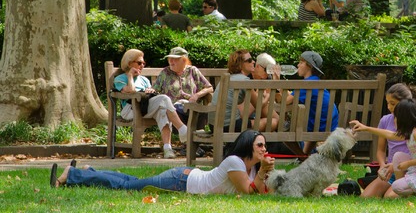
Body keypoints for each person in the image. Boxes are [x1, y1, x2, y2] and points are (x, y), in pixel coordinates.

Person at [50, 129, 276, 194]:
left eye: (264, 145)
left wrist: (263, 171)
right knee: (128, 186)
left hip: (184, 178)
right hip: (179, 181)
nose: (263, 149)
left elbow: (263, 192)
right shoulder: (235, 162)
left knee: (134, 181)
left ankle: (89, 171)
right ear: (248, 146)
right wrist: (264, 170)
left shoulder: (252, 168)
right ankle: (73, 175)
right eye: (259, 145)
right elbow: (249, 192)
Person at [351, 99, 416, 198]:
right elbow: (389, 134)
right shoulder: (410, 131)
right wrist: (366, 128)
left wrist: (408, 163)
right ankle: (405, 191)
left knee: (396, 187)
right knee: (398, 156)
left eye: (396, 117)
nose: (394, 120)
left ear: (404, 119)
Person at [112, 49, 188, 159]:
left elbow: (150, 95)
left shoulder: (144, 80)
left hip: (145, 107)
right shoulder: (120, 78)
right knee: (164, 100)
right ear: (129, 63)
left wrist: (150, 91)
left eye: (143, 63)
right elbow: (131, 90)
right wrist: (130, 76)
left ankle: (168, 149)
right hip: (130, 110)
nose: (142, 65)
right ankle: (182, 129)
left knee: (163, 110)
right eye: (139, 63)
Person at [361, 83, 416, 198]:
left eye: (392, 104)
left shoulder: (415, 123)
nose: (389, 107)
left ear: (405, 103)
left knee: (390, 197)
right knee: (366, 197)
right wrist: (382, 166)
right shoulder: (385, 121)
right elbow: (381, 150)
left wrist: (397, 165)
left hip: (410, 171)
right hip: (391, 171)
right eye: (387, 103)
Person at [279, 51, 338, 155]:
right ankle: (304, 156)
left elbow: (285, 101)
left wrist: (276, 80)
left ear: (309, 66)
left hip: (320, 126)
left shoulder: (307, 84)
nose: (298, 65)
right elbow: (291, 96)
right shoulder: (314, 82)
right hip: (329, 123)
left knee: (283, 130)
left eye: (301, 62)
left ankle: (302, 157)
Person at [209, 50, 278, 132]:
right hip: (230, 126)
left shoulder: (230, 77)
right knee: (273, 122)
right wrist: (268, 95)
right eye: (249, 60)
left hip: (213, 125)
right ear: (240, 64)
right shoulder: (244, 80)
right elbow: (259, 105)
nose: (253, 62)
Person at [152, 47, 214, 124]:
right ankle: (184, 133)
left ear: (184, 60)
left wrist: (196, 95)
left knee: (201, 111)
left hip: (191, 106)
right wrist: (150, 90)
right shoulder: (165, 72)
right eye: (169, 58)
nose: (171, 61)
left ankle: (196, 133)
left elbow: (209, 88)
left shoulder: (192, 71)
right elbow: (155, 90)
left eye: (175, 59)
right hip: (173, 108)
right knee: (176, 111)